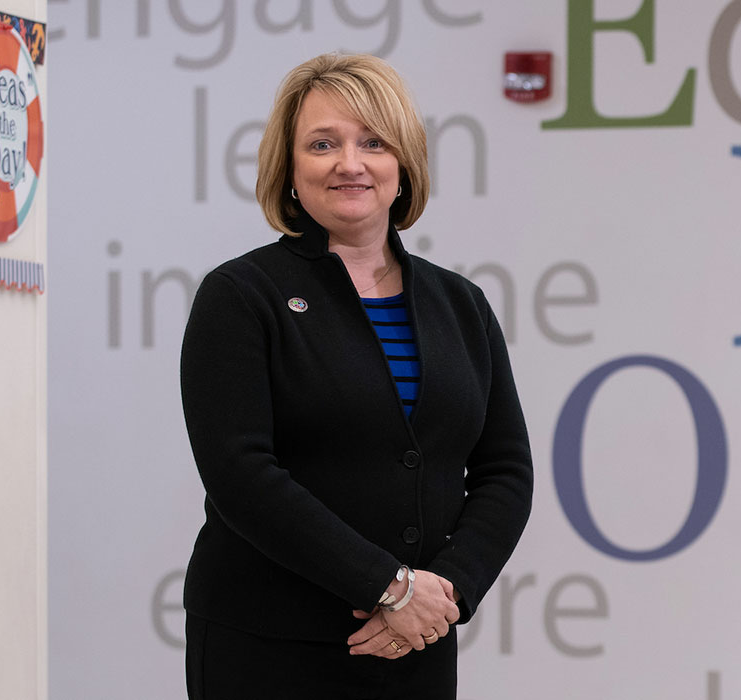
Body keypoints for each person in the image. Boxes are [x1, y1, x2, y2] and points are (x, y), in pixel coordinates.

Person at [177, 53, 534, 699]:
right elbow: (240, 472)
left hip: (415, 644)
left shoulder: (460, 304)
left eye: (373, 141)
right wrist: (388, 585)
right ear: (289, 168)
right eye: (322, 144)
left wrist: (444, 591)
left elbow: (505, 469)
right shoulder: (241, 294)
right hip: (266, 647)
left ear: (404, 165)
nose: (350, 162)